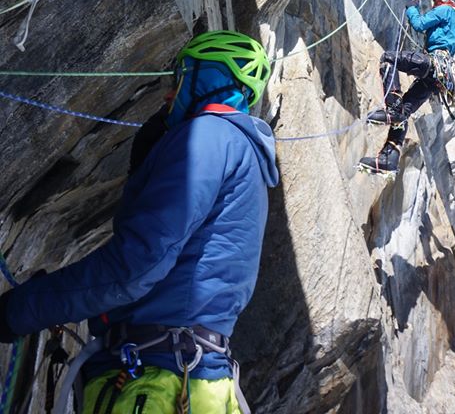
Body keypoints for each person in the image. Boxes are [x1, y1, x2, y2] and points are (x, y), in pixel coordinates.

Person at [0, 30, 278, 414]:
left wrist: (21, 309)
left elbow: (136, 267)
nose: (169, 93)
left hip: (155, 384)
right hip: (200, 383)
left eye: (180, 75)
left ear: (206, 77)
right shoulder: (244, 155)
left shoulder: (208, 137)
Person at [359, 0, 455, 178]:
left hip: (433, 63)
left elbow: (419, 24)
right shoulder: (453, 18)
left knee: (389, 59)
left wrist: (411, 7)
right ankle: (388, 158)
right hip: (438, 75)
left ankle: (392, 108)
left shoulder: (445, 10)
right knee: (403, 113)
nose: (434, 1)